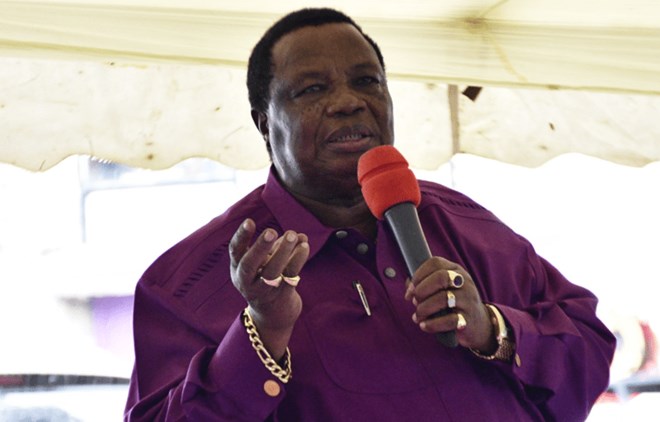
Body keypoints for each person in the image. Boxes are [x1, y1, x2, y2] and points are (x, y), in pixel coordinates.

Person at [124, 8, 615, 421]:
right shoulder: (187, 282)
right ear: (264, 124)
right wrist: (261, 333)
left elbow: (590, 349)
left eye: (366, 82)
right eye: (312, 89)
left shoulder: (469, 226)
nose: (348, 102)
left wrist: (493, 328)